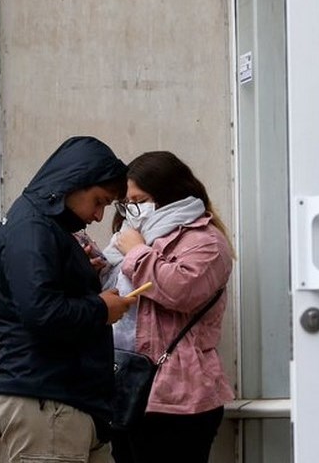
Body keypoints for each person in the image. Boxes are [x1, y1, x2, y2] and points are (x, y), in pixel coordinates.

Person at [0, 136, 136, 463]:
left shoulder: (40, 225)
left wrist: (82, 276)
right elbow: (40, 312)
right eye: (99, 201)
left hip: (61, 401)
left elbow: (41, 300)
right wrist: (101, 308)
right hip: (48, 402)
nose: (98, 216)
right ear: (75, 183)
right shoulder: (33, 228)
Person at [105, 151, 235, 463]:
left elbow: (182, 290)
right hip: (127, 390)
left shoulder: (206, 242)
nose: (133, 209)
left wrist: (136, 252)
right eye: (127, 201)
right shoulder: (132, 239)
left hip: (179, 397)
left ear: (169, 195)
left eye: (141, 199)